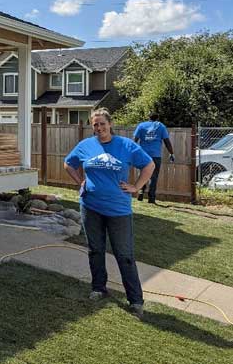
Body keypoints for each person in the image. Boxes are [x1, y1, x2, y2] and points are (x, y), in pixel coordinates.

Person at [64, 108, 154, 319]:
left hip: (118, 210)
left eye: (102, 123)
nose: (99, 128)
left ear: (110, 124)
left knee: (124, 255)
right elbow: (68, 163)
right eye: (95, 124)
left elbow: (149, 164)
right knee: (95, 250)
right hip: (90, 206)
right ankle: (98, 288)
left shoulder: (126, 145)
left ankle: (135, 300)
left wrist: (137, 187)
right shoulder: (85, 146)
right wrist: (80, 182)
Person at [133, 112, 174, 203]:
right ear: (157, 118)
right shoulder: (161, 126)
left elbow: (135, 140)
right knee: (153, 177)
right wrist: (171, 153)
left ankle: (140, 193)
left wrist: (133, 152)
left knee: (143, 174)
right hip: (155, 156)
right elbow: (167, 141)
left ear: (149, 117)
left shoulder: (141, 126)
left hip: (143, 155)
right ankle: (151, 198)